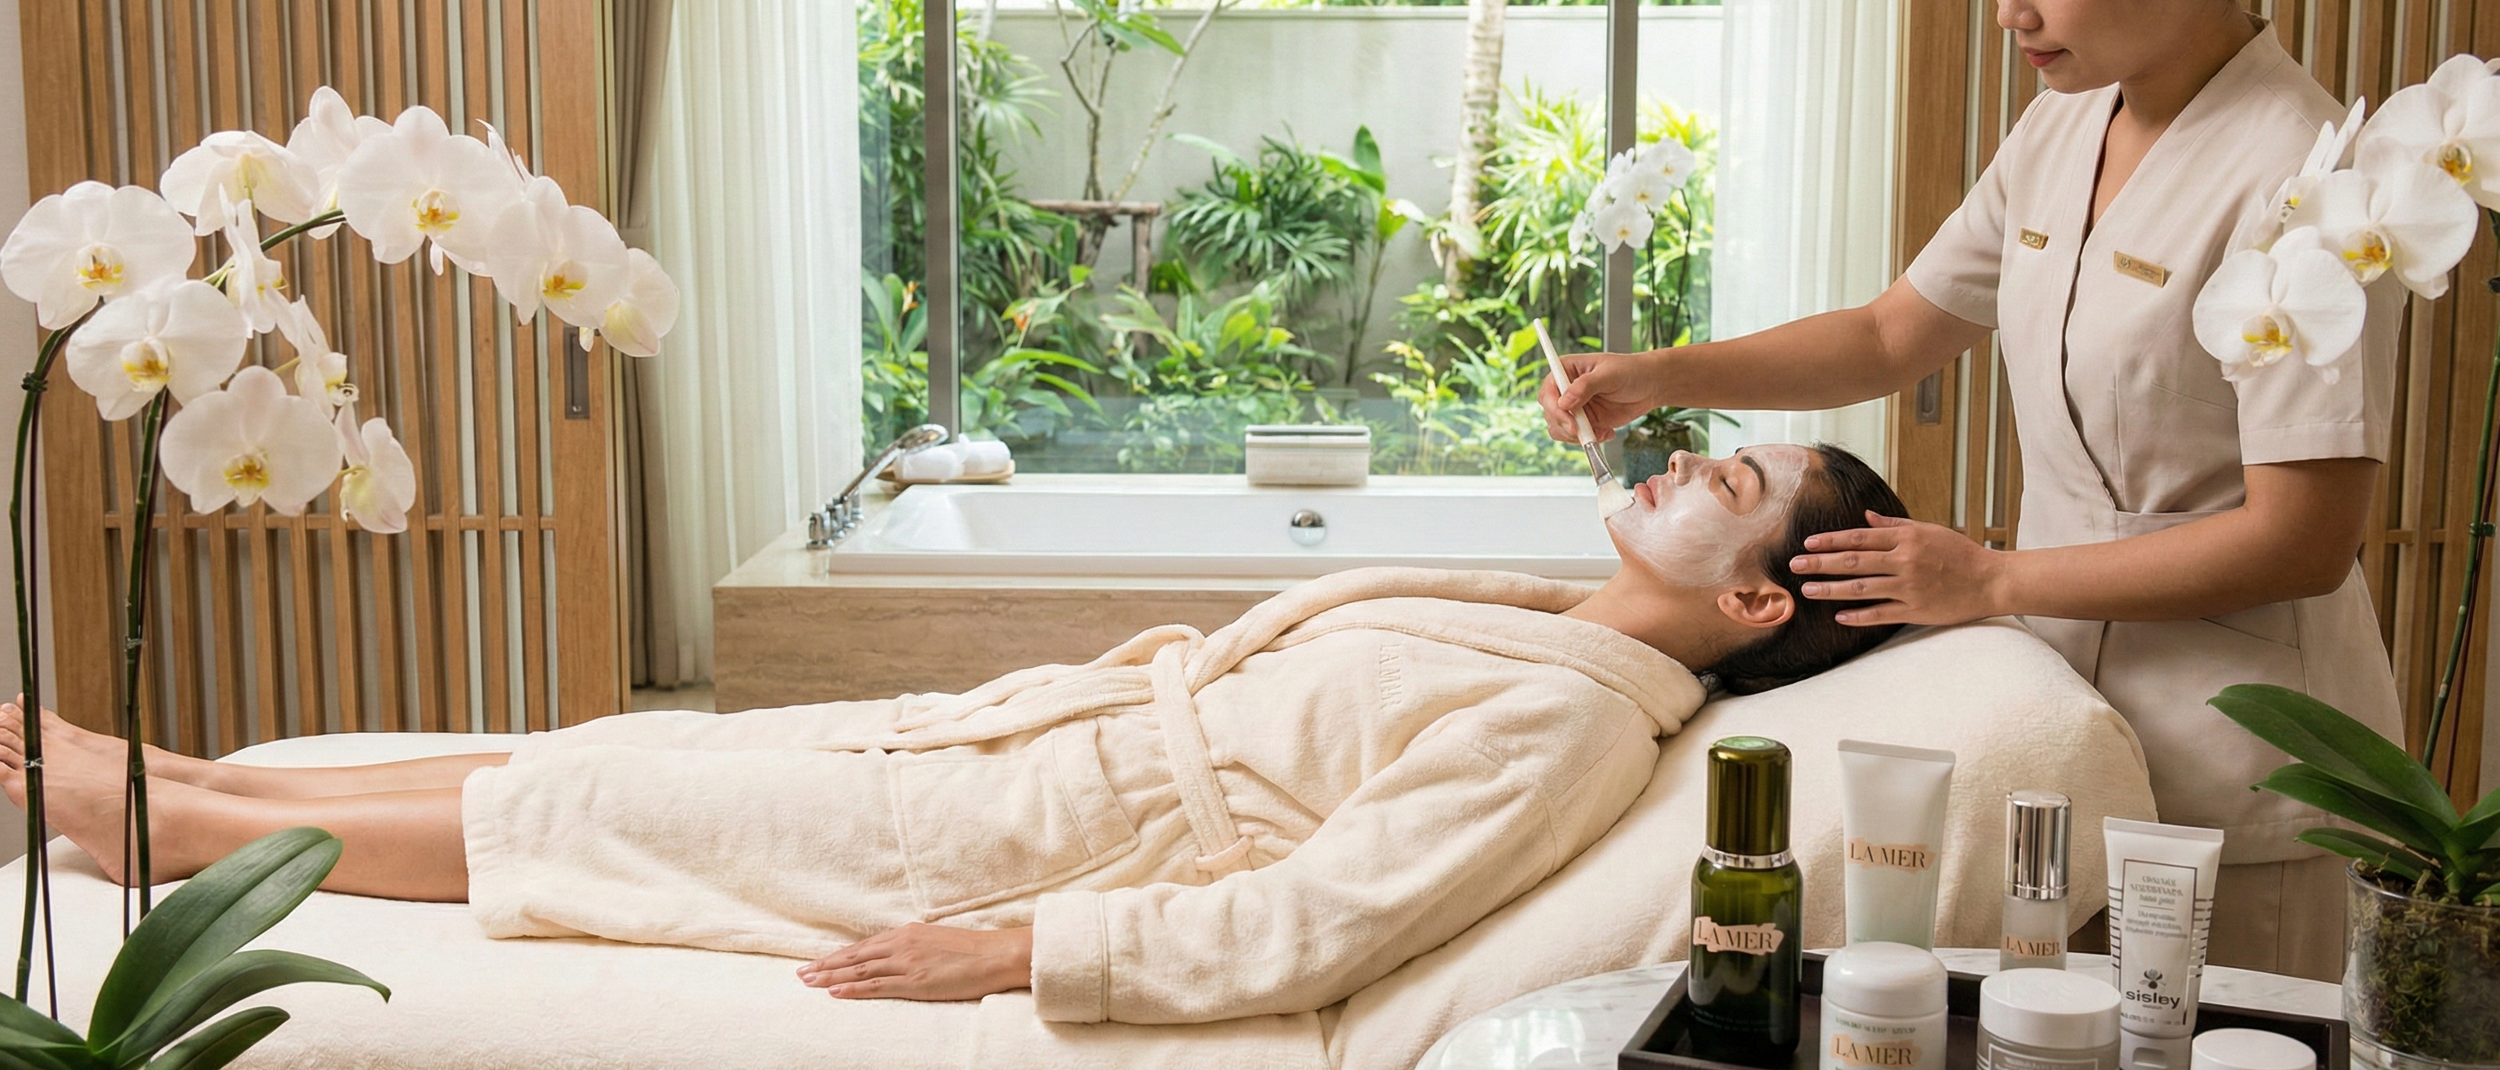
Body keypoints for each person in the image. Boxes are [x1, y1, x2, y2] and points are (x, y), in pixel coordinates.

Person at [3, 445, 1908, 1025]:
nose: (1677, 459)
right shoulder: (1553, 623)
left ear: (1753, 602)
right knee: (613, 750)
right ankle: (198, 791)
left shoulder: (1578, 727)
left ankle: (164, 822)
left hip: (1036, 846)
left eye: (1722, 479)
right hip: (1018, 746)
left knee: (585, 806)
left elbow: (1331, 915)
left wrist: (1024, 949)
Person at [1541, 0, 2389, 980]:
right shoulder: (2065, 121)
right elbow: (1890, 334)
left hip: (2238, 743)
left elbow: (2302, 540)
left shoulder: (2309, 179)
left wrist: (1990, 581)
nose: (2009, 10)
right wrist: (1659, 376)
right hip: (2049, 718)